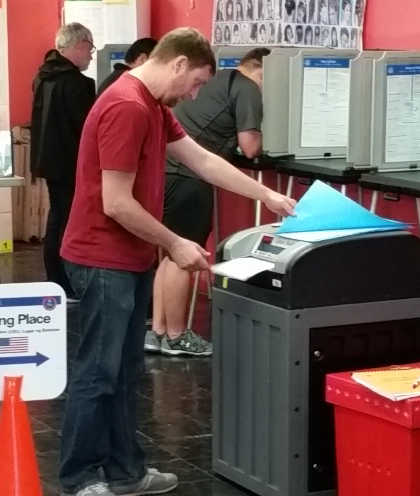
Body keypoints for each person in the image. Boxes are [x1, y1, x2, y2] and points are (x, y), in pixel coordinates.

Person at [57, 28, 294, 496]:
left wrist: (266, 194)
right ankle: (80, 477)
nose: (196, 93)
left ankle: (126, 472)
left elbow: (202, 160)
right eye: (198, 82)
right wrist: (176, 243)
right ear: (179, 63)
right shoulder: (127, 105)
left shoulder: (152, 105)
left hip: (127, 258)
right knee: (99, 372)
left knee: (123, 372)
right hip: (103, 258)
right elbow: (116, 203)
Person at [146, 47, 270, 357]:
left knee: (170, 254)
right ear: (263, 71)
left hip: (165, 172)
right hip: (189, 177)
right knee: (183, 257)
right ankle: (176, 336)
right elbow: (250, 147)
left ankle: (158, 332)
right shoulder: (248, 88)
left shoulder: (220, 80)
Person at [31, 23, 97, 302]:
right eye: (91, 50)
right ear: (80, 45)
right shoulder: (79, 84)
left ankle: (55, 279)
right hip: (72, 163)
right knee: (69, 223)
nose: (91, 57)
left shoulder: (42, 77)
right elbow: (87, 130)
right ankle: (67, 283)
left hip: (47, 160)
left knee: (56, 220)